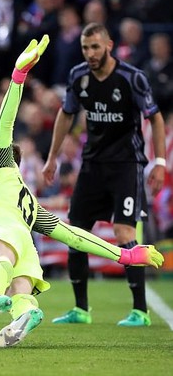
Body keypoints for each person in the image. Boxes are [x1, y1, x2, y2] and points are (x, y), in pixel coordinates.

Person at [0, 35, 164, 348]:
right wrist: (125, 254)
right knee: (22, 286)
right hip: (24, 239)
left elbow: (3, 124)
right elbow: (73, 235)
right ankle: (25, 312)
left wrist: (18, 76)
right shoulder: (29, 201)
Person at [42, 22, 166, 327]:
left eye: (95, 47)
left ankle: (140, 311)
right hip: (92, 166)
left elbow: (156, 118)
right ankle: (80, 309)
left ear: (109, 45)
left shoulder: (131, 78)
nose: (90, 53)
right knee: (75, 233)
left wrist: (160, 161)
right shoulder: (78, 76)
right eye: (86, 48)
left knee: (124, 234)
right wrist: (52, 157)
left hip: (126, 166)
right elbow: (66, 113)